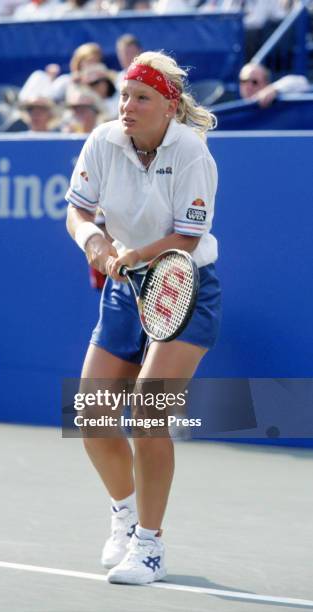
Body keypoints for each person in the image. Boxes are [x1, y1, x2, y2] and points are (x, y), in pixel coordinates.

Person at [66, 51, 221, 585]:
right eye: (125, 96)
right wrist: (94, 241)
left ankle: (150, 547)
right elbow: (79, 210)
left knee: (150, 413)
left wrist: (134, 254)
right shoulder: (102, 142)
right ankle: (125, 515)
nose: (127, 106)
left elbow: (187, 235)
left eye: (142, 98)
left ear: (169, 106)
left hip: (184, 283)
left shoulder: (193, 151)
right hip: (126, 286)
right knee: (91, 414)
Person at [239, 62, 310, 107]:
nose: (248, 86)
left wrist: (274, 89)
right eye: (244, 81)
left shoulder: (276, 105)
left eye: (254, 82)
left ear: (266, 83)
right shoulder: (235, 112)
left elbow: (302, 82)